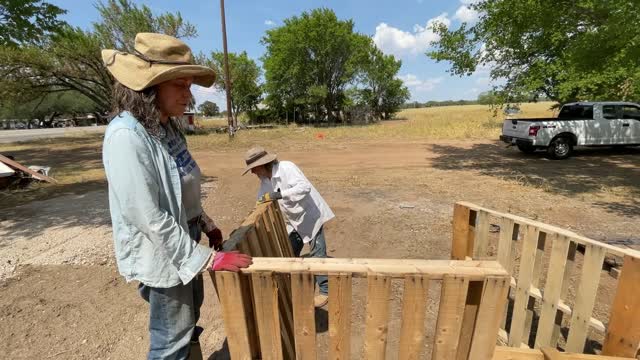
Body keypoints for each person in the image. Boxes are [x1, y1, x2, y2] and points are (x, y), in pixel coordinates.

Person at [101, 33, 252, 360]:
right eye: (180, 86)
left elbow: (181, 188)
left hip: (185, 238)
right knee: (170, 339)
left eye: (189, 85)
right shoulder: (127, 135)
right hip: (164, 251)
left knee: (187, 321)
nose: (189, 95)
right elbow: (148, 215)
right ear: (151, 86)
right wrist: (208, 259)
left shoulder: (164, 127)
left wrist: (205, 222)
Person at [243, 146, 334, 307]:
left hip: (310, 215)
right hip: (293, 220)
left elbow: (304, 188)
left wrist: (278, 195)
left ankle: (325, 291)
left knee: (318, 253)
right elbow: (261, 199)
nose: (253, 172)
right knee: (290, 251)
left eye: (254, 168)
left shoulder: (287, 167)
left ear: (263, 164)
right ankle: (294, 285)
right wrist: (253, 214)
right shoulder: (265, 180)